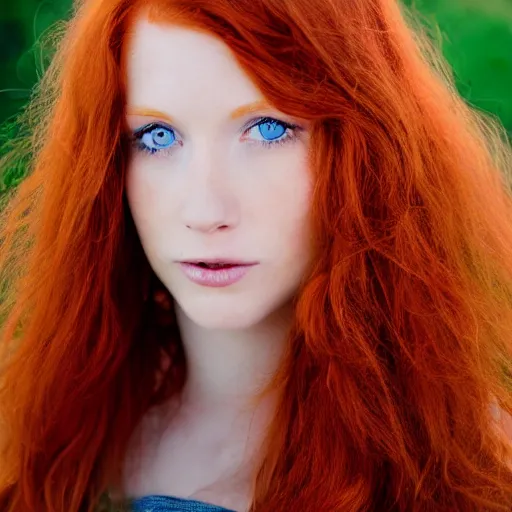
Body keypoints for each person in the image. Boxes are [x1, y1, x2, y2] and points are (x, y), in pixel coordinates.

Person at [0, 0, 511, 510]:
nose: (205, 210)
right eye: (157, 137)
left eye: (269, 129)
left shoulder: (468, 469)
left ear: (367, 154)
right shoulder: (42, 441)